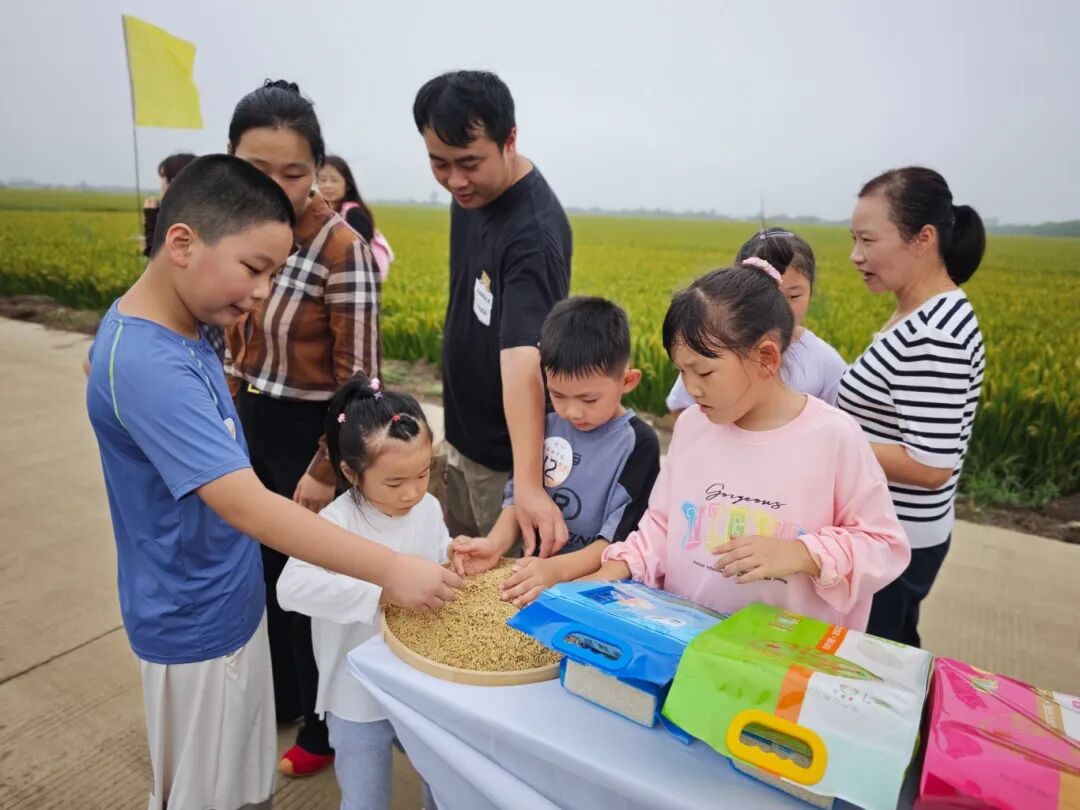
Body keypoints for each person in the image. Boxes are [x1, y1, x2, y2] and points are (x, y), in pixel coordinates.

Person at [84, 155, 461, 810]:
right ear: (182, 243)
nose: (262, 292)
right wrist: (391, 570)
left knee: (233, 785)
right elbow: (248, 507)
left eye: (274, 274)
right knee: (204, 795)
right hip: (195, 620)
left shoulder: (181, 328)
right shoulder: (151, 363)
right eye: (254, 268)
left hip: (221, 600)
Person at [587, 260, 910, 631]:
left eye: (704, 372)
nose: (691, 388)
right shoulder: (693, 426)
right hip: (685, 639)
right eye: (681, 371)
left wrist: (802, 554)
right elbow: (662, 527)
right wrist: (608, 574)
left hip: (783, 652)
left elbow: (884, 546)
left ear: (766, 358)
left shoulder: (834, 437)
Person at [224, 79, 381, 777]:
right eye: (256, 170)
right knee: (260, 577)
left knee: (310, 591)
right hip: (250, 422)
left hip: (311, 434)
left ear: (317, 169)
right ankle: (285, 697)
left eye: (293, 172)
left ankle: (322, 729)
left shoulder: (340, 248)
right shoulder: (235, 229)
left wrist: (324, 467)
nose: (276, 187)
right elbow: (235, 344)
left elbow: (360, 379)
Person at [413, 70, 572, 557]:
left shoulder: (532, 234)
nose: (455, 180)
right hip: (463, 436)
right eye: (439, 163)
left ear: (510, 140)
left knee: (493, 583)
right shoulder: (470, 196)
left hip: (503, 464)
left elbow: (525, 358)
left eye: (469, 163)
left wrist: (527, 485)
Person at [837, 166, 986, 647]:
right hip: (892, 535)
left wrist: (830, 440)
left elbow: (931, 465)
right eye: (854, 239)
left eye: (868, 240)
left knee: (871, 667)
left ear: (923, 238)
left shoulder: (935, 334)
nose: (856, 256)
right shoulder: (919, 312)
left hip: (896, 544)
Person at [278, 375, 441, 810]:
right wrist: (382, 591)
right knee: (364, 798)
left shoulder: (428, 507)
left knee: (442, 781)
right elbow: (290, 587)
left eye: (423, 473)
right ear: (350, 473)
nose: (412, 492)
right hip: (355, 693)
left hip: (416, 682)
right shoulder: (335, 523)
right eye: (395, 482)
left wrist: (455, 558)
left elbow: (437, 557)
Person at [448, 297, 661, 606]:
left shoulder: (638, 444)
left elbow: (618, 540)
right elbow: (518, 498)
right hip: (533, 578)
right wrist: (494, 544)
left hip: (590, 592)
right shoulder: (544, 420)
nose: (572, 412)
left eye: (589, 399)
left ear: (628, 381)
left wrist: (554, 571)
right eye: (558, 394)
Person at [666, 228, 846, 413]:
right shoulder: (710, 348)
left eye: (793, 296)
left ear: (811, 292)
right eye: (768, 296)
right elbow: (681, 407)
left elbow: (841, 418)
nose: (780, 308)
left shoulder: (827, 363)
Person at [317, 155, 395, 281]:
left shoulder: (354, 214)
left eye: (334, 180)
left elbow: (362, 251)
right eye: (322, 180)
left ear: (348, 185)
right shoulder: (328, 213)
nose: (327, 185)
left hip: (357, 279)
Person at [142, 152, 196, 258]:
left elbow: (158, 256)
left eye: (164, 178)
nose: (162, 186)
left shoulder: (186, 218)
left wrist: (151, 217)